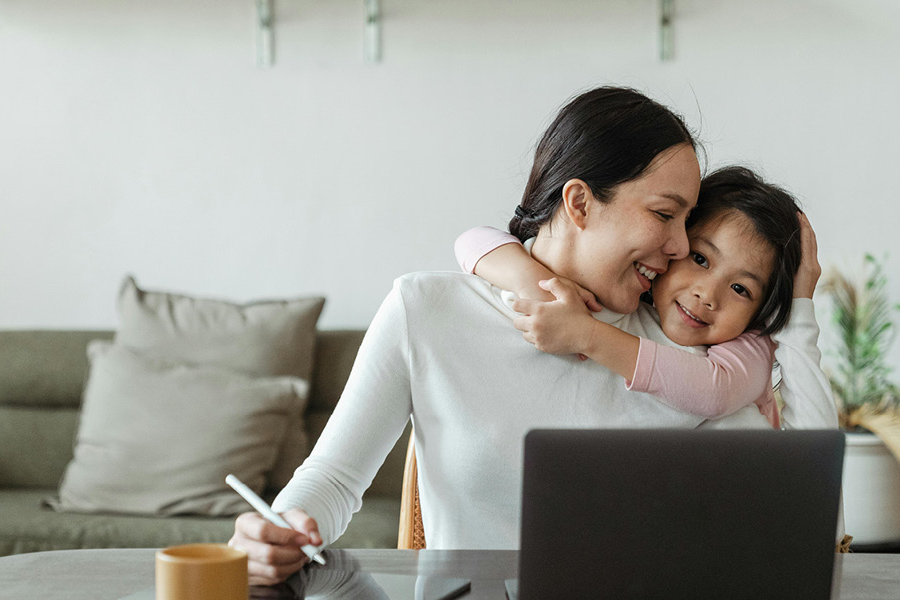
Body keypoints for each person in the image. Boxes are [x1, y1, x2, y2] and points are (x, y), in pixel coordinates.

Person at [228, 86, 838, 585]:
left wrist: (801, 309)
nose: (680, 247)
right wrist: (279, 527)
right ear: (579, 203)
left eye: (687, 222)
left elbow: (804, 515)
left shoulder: (688, 355)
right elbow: (334, 480)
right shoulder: (427, 311)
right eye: (663, 214)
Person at [453, 166, 815, 428]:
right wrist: (535, 282)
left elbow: (715, 391)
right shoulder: (633, 299)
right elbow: (472, 240)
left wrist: (586, 335)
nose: (707, 294)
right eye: (700, 259)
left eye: (741, 289)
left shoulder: (751, 345)